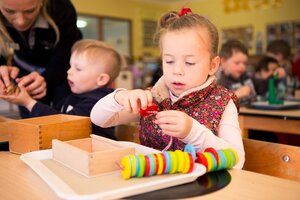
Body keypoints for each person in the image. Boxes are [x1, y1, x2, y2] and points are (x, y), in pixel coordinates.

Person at [91, 8, 245, 169]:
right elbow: (98, 119)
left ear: (213, 65)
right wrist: (120, 97)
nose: (177, 70)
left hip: (202, 189)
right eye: (169, 61)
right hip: (151, 184)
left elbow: (237, 160)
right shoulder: (154, 97)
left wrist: (192, 132)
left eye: (190, 62)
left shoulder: (222, 101)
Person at [0, 39, 122, 140]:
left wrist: (28, 102)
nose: (69, 71)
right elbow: (52, 114)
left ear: (101, 79)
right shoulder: (73, 96)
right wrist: (28, 98)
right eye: (70, 66)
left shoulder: (98, 102)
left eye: (78, 68)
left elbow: (62, 122)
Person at [0, 0, 82, 118]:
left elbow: (63, 60)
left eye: (29, 11)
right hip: (24, 71)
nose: (20, 22)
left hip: (63, 69)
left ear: (42, 2)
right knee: (30, 120)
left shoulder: (61, 8)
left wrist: (45, 79)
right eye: (9, 11)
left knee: (65, 115)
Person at [217, 39, 256, 106]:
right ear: (223, 62)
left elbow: (260, 85)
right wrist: (237, 94)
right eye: (237, 63)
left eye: (245, 63)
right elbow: (218, 104)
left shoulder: (245, 76)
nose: (242, 67)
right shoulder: (220, 81)